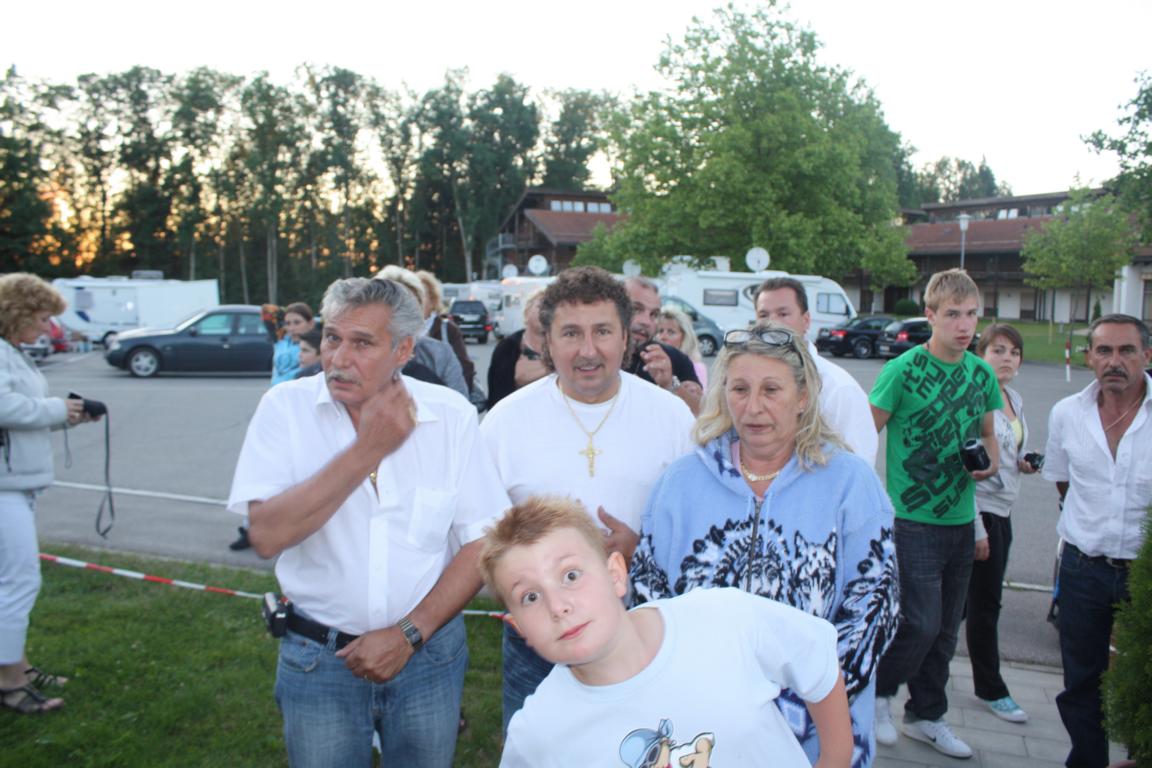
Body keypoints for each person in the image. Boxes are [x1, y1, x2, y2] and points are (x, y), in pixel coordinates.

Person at [226, 276, 510, 767]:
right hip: (319, 661)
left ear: (403, 349)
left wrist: (408, 634)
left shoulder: (449, 416)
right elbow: (267, 535)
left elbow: (482, 540)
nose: (338, 358)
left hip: (428, 657)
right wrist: (368, 449)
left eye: (362, 343)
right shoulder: (285, 409)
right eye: (332, 338)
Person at [630, 324, 898, 767]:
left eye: (771, 389)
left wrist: (805, 705)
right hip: (701, 729)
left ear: (803, 396)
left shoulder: (851, 484)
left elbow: (874, 608)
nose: (753, 407)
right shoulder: (680, 481)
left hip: (820, 736)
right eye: (740, 389)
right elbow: (647, 597)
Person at [485, 496, 854, 768]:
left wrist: (834, 759)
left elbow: (816, 662)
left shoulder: (724, 617)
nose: (557, 606)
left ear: (615, 574)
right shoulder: (538, 733)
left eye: (570, 575)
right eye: (530, 596)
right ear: (517, 626)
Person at [480, 266, 696, 731]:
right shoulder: (504, 423)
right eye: (571, 333)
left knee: (642, 751)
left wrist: (640, 551)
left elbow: (696, 531)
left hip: (644, 629)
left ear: (626, 339)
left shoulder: (672, 417)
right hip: (540, 641)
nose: (588, 350)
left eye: (602, 331)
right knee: (541, 751)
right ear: (546, 342)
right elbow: (482, 537)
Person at [869, 268, 1001, 760]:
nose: (964, 326)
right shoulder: (902, 370)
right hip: (911, 518)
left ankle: (927, 715)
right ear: (930, 315)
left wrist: (989, 464)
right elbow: (864, 433)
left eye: (971, 315)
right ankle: (876, 694)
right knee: (920, 623)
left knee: (945, 632)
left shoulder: (981, 373)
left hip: (961, 520)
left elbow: (988, 435)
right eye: (952, 315)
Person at [1043, 314, 1152, 768]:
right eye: (1104, 350)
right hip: (1083, 567)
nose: (1114, 361)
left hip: (1145, 571)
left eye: (1127, 350)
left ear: (1147, 355)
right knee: (1081, 680)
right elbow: (1062, 482)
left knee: (1145, 681)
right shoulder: (1067, 413)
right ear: (1089, 357)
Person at [1, 273, 100, 714]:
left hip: (16, 484)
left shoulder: (13, 353)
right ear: (16, 314)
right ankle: (9, 682)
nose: (48, 328)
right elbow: (5, 406)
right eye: (42, 318)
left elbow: (23, 415)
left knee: (11, 580)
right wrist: (58, 408)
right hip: (4, 488)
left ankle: (17, 666)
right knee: (20, 580)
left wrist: (66, 417)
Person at [966, 324, 1038, 724]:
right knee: (984, 604)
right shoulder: (976, 401)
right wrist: (977, 527)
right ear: (981, 355)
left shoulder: (1014, 399)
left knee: (961, 607)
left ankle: (914, 675)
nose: (1007, 358)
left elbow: (1010, 450)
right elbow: (968, 469)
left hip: (1004, 512)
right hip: (982, 513)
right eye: (998, 350)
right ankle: (992, 689)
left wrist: (1025, 462)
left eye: (1013, 352)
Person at [755, 277, 878, 466]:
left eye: (783, 314)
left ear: (806, 321)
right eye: (764, 315)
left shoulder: (839, 388)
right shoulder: (745, 382)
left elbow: (860, 466)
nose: (772, 323)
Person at [373, 266, 468, 398]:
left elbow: (459, 403)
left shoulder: (439, 354)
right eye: (391, 304)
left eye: (408, 305)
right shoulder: (354, 355)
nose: (399, 313)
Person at [623, 277, 703, 415]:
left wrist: (670, 385)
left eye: (654, 314)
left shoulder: (676, 359)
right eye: (636, 309)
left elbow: (701, 415)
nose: (646, 322)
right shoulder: (593, 354)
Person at [415, 270, 477, 394]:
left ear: (432, 300)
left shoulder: (448, 328)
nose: (415, 300)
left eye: (420, 294)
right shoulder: (401, 329)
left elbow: (465, 367)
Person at [486, 291, 548, 410]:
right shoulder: (508, 346)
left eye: (550, 307)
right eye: (540, 306)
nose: (545, 311)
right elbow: (498, 391)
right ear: (527, 312)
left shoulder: (563, 345)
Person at [656, 305, 708, 389]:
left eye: (671, 332)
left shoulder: (697, 368)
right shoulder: (649, 364)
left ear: (684, 338)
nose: (663, 337)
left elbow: (697, 397)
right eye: (660, 331)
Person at [271, 302, 315, 386]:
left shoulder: (318, 346)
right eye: (288, 323)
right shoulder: (281, 343)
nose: (291, 328)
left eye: (297, 322)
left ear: (311, 324)